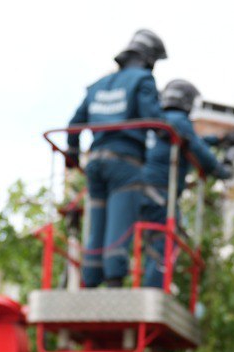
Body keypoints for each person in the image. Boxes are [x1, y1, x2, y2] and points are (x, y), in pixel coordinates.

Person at [67, 29, 166, 287]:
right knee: (119, 225)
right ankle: (113, 281)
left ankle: (89, 282)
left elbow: (74, 124)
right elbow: (153, 118)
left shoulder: (98, 85)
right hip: (125, 162)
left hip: (95, 162)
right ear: (148, 59)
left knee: (96, 223)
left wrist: (74, 155)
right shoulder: (142, 79)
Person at [140, 79, 232, 289]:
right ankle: (153, 291)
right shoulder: (179, 121)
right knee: (165, 244)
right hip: (161, 194)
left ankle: (149, 286)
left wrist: (217, 140)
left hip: (140, 191)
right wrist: (223, 172)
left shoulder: (159, 121)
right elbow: (201, 154)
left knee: (151, 241)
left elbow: (193, 141)